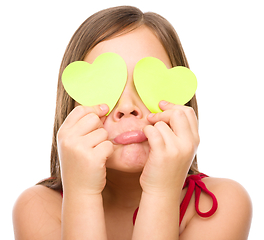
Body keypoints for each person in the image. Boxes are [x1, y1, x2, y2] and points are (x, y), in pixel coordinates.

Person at [12, 6, 252, 240]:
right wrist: (82, 194)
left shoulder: (222, 202)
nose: (127, 107)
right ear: (70, 108)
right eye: (104, 87)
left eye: (146, 83)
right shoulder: (38, 207)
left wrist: (161, 192)